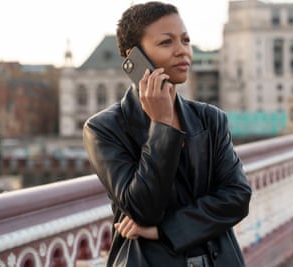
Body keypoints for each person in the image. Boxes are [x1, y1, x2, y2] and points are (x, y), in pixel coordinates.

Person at [82, 2, 252, 266]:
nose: (182, 51)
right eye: (166, 42)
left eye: (185, 40)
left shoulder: (211, 118)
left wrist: (165, 229)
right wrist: (162, 126)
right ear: (133, 57)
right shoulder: (104, 129)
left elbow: (237, 197)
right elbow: (142, 209)